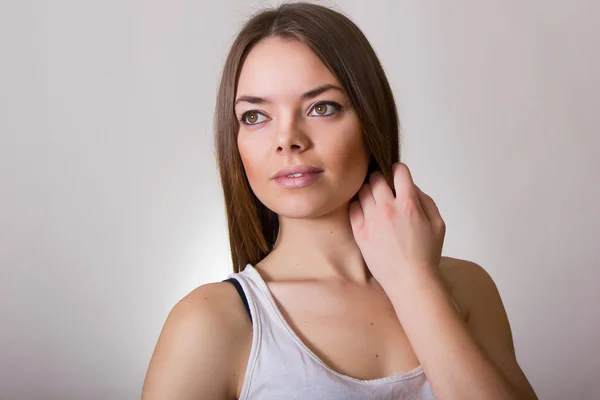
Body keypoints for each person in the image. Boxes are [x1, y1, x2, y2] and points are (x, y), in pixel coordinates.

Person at [142, 2, 538, 399]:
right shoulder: (209, 323)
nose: (287, 139)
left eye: (321, 107)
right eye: (255, 116)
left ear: (370, 120)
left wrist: (415, 283)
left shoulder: (468, 289)